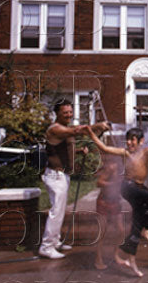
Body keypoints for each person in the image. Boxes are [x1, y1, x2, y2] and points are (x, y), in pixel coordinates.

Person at [82, 126, 148, 277]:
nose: (129, 142)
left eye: (132, 139)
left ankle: (132, 260)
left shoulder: (146, 152)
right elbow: (104, 148)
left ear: (141, 141)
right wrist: (91, 134)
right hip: (127, 187)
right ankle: (147, 228)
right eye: (127, 139)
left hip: (140, 189)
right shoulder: (124, 153)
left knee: (136, 226)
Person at [39, 99, 109, 259]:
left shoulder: (64, 129)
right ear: (56, 113)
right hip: (55, 176)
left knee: (60, 210)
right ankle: (46, 246)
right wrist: (97, 126)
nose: (69, 115)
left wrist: (78, 151)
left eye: (70, 112)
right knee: (56, 211)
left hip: (62, 176)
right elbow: (75, 132)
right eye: (65, 113)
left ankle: (55, 242)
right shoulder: (55, 129)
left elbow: (63, 147)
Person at [94, 155, 125, 270]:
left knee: (121, 231)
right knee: (102, 232)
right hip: (104, 202)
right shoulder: (111, 167)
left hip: (115, 201)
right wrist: (113, 185)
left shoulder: (124, 168)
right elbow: (99, 182)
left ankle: (116, 255)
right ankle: (98, 259)